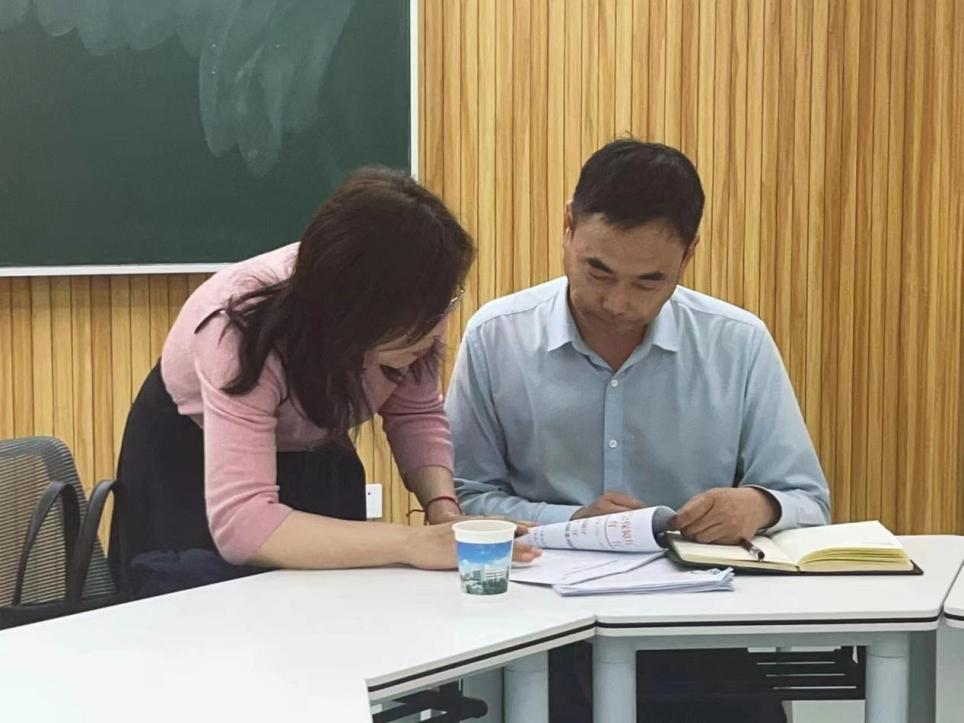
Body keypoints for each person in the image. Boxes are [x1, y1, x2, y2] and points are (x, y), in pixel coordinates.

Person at [446, 139, 830, 722]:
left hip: (699, 633)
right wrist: (572, 521)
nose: (617, 302)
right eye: (597, 271)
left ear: (689, 254)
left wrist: (758, 505)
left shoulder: (738, 344)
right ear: (568, 227)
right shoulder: (496, 337)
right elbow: (465, 501)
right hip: (538, 632)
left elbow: (807, 499)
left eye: (648, 282)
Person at [110, 166, 537, 598]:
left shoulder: (419, 305)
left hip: (314, 446)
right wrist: (412, 543)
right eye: (422, 321)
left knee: (332, 603)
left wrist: (444, 512)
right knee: (207, 605)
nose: (436, 328)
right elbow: (243, 527)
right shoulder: (238, 328)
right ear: (358, 317)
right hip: (193, 456)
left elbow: (415, 412)